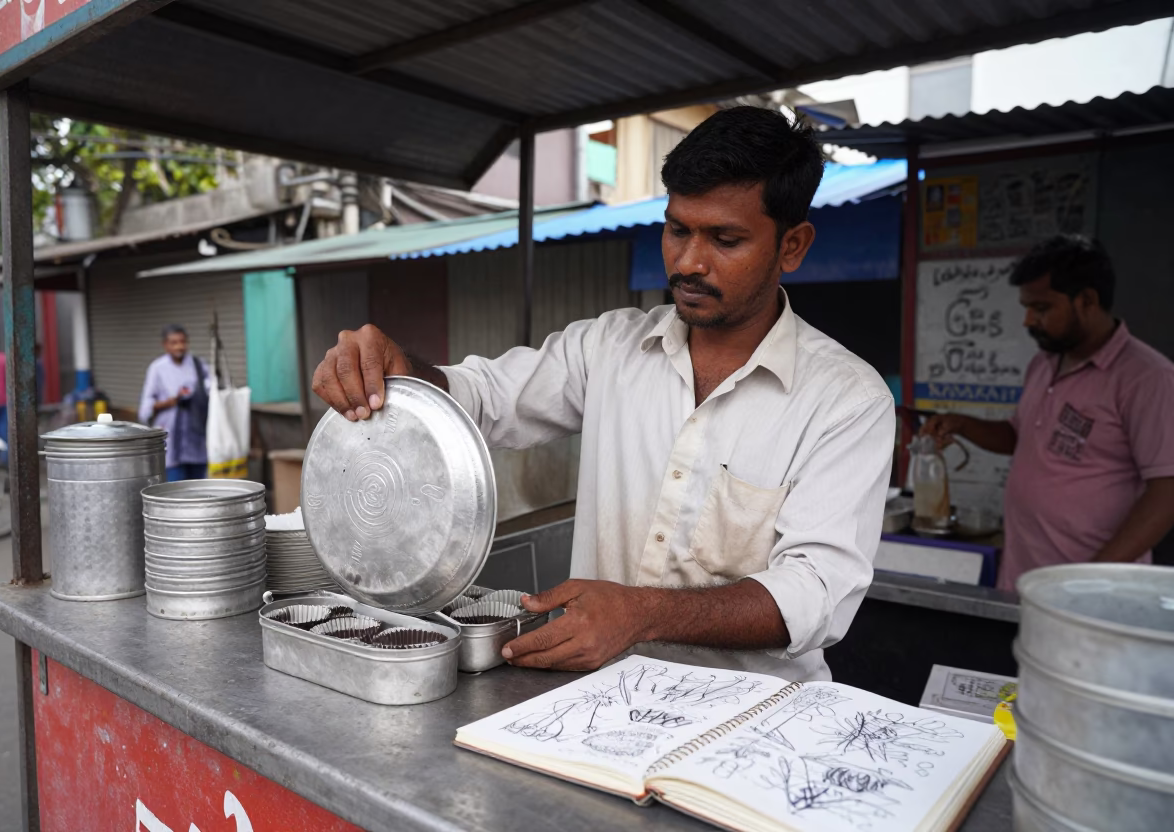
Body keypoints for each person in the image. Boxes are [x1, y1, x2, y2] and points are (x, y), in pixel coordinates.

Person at [312, 107, 895, 680]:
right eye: (677, 229)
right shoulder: (609, 347)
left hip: (751, 728)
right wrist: (401, 369)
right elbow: (483, 398)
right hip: (593, 707)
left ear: (792, 246)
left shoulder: (847, 400)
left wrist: (642, 614)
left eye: (725, 238)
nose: (689, 261)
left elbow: (816, 591)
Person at [922, 236, 1174, 590]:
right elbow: (1022, 438)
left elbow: (1166, 493)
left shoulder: (1146, 378)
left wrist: (1087, 581)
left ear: (1086, 300)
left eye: (1040, 308)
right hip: (1022, 578)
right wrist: (962, 424)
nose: (1027, 320)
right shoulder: (1044, 363)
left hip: (1092, 595)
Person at [139, 324, 210, 481]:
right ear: (165, 345)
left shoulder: (199, 365)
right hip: (171, 437)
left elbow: (211, 391)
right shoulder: (157, 368)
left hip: (197, 437)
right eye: (174, 342)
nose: (179, 346)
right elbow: (145, 407)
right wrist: (169, 402)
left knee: (199, 487)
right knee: (176, 489)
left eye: (182, 342)